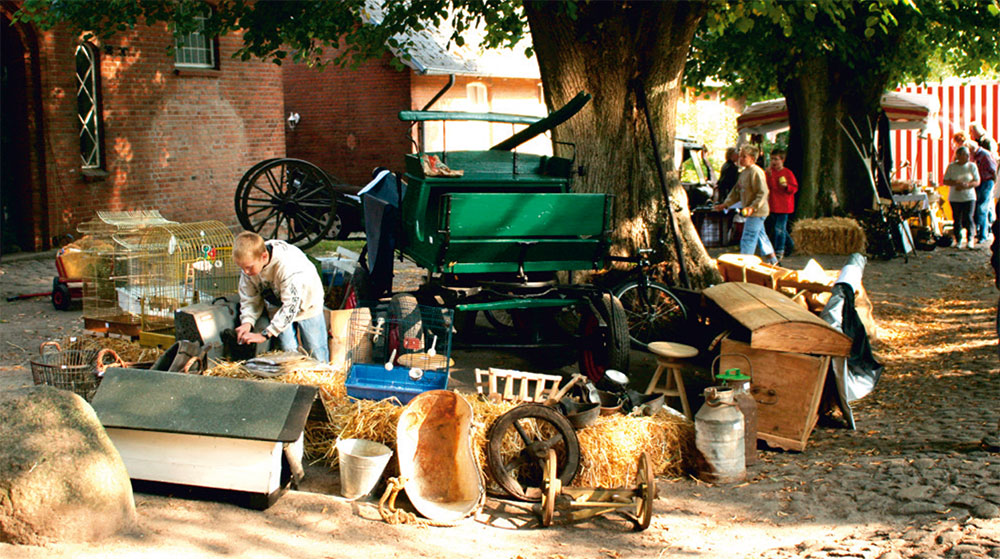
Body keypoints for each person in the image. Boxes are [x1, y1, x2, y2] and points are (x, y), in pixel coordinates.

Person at [233, 231, 329, 361]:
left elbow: (291, 306)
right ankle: (292, 378)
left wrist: (265, 334)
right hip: (277, 301)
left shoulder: (287, 266)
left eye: (249, 268)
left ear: (264, 256)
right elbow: (249, 298)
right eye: (241, 267)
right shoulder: (250, 264)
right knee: (287, 350)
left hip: (306, 301)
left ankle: (318, 378)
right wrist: (247, 322)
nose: (245, 272)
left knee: (315, 349)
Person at [715, 144, 778, 264]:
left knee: (748, 237)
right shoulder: (744, 173)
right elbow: (736, 191)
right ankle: (773, 260)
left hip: (757, 211)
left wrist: (753, 207)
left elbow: (763, 192)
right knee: (761, 235)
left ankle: (745, 263)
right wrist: (726, 204)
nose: (741, 159)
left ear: (752, 159)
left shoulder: (756, 172)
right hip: (751, 210)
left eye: (744, 156)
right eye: (740, 156)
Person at [942, 146, 980, 249]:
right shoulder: (951, 167)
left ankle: (970, 239)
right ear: (958, 155)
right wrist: (956, 183)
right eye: (964, 154)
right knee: (957, 218)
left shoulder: (972, 166)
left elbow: (977, 181)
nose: (967, 157)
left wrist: (967, 185)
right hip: (955, 197)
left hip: (969, 196)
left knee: (968, 217)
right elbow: (945, 180)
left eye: (968, 155)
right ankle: (958, 239)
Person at [765, 148, 798, 262]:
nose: (774, 162)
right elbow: (767, 187)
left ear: (782, 160)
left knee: (779, 229)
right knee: (780, 228)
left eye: (776, 159)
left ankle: (779, 250)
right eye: (772, 159)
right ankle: (790, 245)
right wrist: (769, 176)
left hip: (784, 205)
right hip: (773, 205)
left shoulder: (787, 173)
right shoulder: (769, 172)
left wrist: (786, 187)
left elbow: (794, 188)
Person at [966, 140, 997, 245]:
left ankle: (983, 235)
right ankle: (980, 233)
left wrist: (994, 185)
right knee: (978, 208)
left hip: (986, 182)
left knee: (982, 208)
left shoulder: (985, 155)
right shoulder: (976, 156)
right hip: (979, 183)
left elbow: (993, 170)